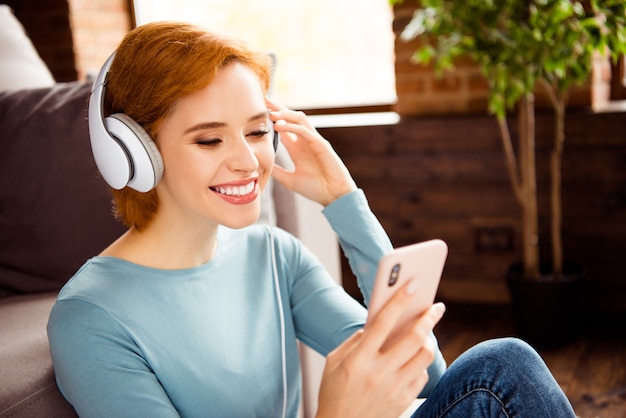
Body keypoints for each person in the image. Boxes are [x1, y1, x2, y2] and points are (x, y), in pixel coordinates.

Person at [47, 22, 576, 418]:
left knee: (503, 365)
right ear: (133, 154)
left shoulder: (274, 254)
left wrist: (344, 202)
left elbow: (427, 379)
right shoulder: (90, 318)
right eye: (209, 139)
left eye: (257, 131)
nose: (247, 159)